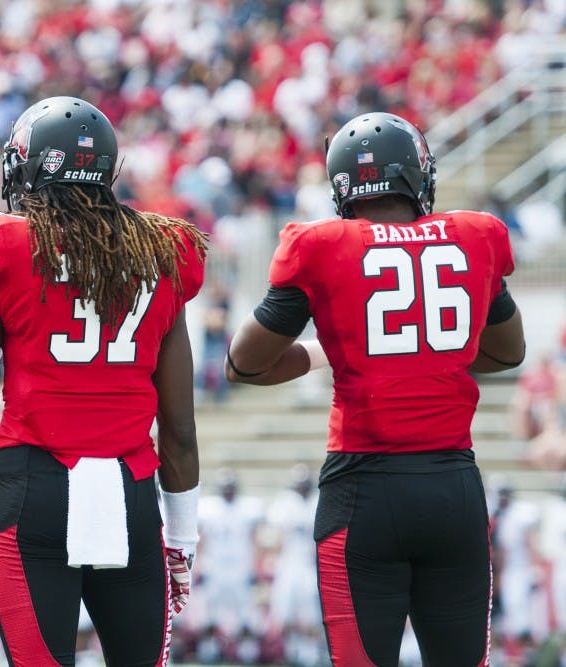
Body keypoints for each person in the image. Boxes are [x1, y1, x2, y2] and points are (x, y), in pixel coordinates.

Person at [225, 111, 526, 666]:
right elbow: (509, 351)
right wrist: (432, 357)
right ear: (418, 175)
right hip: (452, 488)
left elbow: (243, 364)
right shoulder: (475, 235)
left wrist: (329, 352)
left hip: (363, 491)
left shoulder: (320, 245)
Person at [0, 95, 208, 666]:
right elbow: (179, 427)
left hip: (32, 484)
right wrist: (180, 541)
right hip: (130, 489)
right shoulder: (162, 249)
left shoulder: (4, 243)